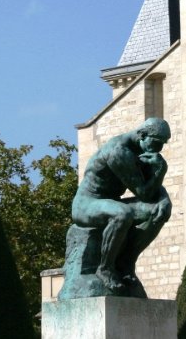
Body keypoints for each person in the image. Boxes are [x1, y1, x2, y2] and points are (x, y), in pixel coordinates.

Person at [71, 117, 172, 296]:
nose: (159, 149)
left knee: (159, 211)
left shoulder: (143, 150)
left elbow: (153, 188)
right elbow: (144, 192)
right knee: (122, 214)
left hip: (111, 203)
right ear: (142, 135)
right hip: (86, 204)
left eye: (162, 144)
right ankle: (105, 268)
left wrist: (164, 199)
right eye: (156, 143)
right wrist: (160, 170)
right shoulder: (118, 151)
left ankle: (126, 264)